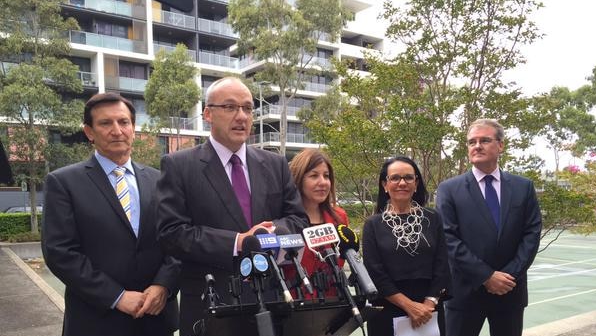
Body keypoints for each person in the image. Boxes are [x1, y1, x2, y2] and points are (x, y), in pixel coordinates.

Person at [155, 77, 308, 336]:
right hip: (210, 303)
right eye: (230, 107)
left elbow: (298, 220)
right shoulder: (179, 166)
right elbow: (172, 234)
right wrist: (238, 242)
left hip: (271, 299)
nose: (241, 116)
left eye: (247, 108)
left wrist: (270, 235)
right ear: (208, 114)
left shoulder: (275, 164)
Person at [42, 93, 180, 336]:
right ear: (89, 132)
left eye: (123, 122)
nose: (117, 130)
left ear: (133, 128)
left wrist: (164, 285)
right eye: (106, 123)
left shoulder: (159, 179)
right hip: (96, 320)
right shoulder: (63, 182)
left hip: (155, 318)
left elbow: (177, 239)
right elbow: (60, 252)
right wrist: (116, 296)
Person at [436, 119, 542, 336]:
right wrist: (486, 276)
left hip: (510, 291)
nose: (477, 146)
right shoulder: (449, 189)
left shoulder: (523, 187)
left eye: (484, 140)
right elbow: (448, 238)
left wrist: (507, 277)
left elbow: (531, 234)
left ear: (500, 145)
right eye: (472, 142)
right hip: (465, 293)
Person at [362, 156, 450, 336]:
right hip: (386, 310)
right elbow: (374, 272)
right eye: (395, 178)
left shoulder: (433, 218)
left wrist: (428, 304)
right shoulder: (372, 224)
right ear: (385, 185)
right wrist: (409, 306)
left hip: (429, 312)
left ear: (416, 183)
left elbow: (442, 265)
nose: (402, 183)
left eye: (408, 177)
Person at [286, 148, 348, 299]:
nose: (323, 182)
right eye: (314, 176)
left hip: (334, 302)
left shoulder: (339, 217)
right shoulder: (284, 221)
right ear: (298, 179)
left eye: (326, 176)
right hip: (296, 305)